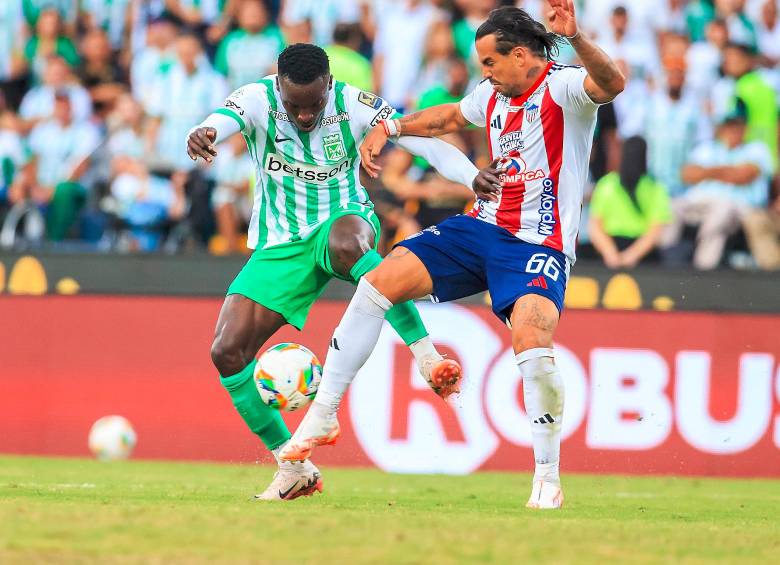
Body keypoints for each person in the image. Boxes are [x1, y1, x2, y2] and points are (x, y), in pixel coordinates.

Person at [280, 3, 625, 510]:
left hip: (539, 242)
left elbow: (612, 83)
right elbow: (445, 117)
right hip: (482, 227)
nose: (484, 73)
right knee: (379, 280)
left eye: (490, 62)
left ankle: (546, 477)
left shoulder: (565, 87)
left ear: (523, 55)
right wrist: (391, 129)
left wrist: (575, 38)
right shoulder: (492, 93)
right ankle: (324, 414)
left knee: (531, 342)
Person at [185, 43, 479, 501]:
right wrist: (204, 132)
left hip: (342, 219)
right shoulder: (257, 98)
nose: (304, 115)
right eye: (294, 106)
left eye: (314, 103)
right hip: (281, 242)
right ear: (278, 86)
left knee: (348, 243)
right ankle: (293, 464)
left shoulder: (354, 104)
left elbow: (421, 142)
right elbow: (221, 120)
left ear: (329, 85)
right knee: (227, 352)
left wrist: (471, 176)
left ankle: (427, 356)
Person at [662, 109, 774, 270]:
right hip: (701, 201)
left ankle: (703, 270)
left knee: (721, 213)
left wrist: (707, 172)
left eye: (738, 127)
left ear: (745, 129)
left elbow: (742, 176)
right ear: (722, 129)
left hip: (737, 206)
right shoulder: (708, 148)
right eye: (730, 127)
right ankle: (668, 262)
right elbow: (687, 174)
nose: (733, 131)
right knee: (671, 206)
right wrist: (726, 171)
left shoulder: (756, 149)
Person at [588, 137, 671, 269]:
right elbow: (655, 231)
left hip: (612, 254)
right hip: (642, 258)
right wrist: (629, 256)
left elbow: (595, 227)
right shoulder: (655, 188)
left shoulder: (606, 184)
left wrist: (611, 254)